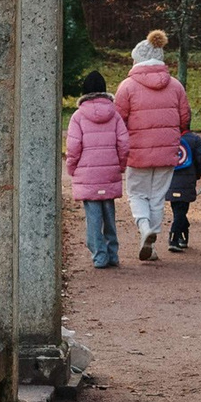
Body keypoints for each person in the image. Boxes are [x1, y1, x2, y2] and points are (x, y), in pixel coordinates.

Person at [113, 30, 189, 261]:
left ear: (138, 60)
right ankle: (152, 243)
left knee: (137, 193)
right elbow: (185, 118)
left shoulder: (127, 86)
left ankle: (144, 227)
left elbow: (118, 120)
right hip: (167, 151)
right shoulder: (175, 86)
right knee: (157, 197)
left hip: (138, 152)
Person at [64, 70, 130, 268]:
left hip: (87, 173)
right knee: (109, 214)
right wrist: (120, 165)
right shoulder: (115, 115)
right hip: (109, 172)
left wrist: (72, 167)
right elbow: (124, 144)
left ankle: (99, 255)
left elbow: (73, 147)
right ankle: (113, 254)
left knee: (93, 217)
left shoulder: (78, 117)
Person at [164, 127, 201, 252]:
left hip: (171, 180)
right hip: (187, 181)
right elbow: (200, 161)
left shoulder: (168, 138)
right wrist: (198, 175)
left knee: (177, 209)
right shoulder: (194, 140)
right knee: (181, 209)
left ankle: (182, 233)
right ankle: (175, 237)